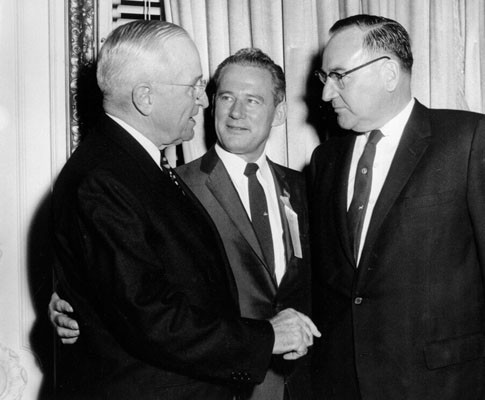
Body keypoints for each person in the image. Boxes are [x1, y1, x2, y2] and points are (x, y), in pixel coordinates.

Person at [51, 20, 319, 400]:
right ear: (145, 97)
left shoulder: (139, 169)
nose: (204, 100)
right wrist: (268, 336)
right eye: (194, 86)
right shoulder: (105, 178)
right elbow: (150, 317)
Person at [309, 14, 485, 400]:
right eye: (325, 78)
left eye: (340, 75)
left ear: (389, 72)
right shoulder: (325, 159)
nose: (326, 94)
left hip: (441, 385)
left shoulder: (469, 140)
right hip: (342, 383)